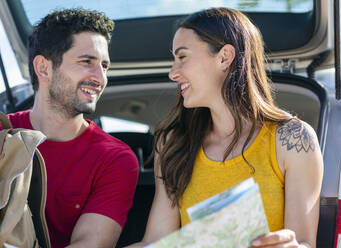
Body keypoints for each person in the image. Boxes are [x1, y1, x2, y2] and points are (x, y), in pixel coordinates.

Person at [127, 7, 323, 248]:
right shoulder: (172, 144)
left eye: (182, 57)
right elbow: (156, 243)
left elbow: (305, 242)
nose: (173, 73)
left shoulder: (292, 140)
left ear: (224, 57)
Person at [5, 9, 139, 248]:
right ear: (43, 68)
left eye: (105, 66)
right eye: (86, 62)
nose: (100, 77)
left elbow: (89, 243)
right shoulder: (4, 134)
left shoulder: (114, 159)